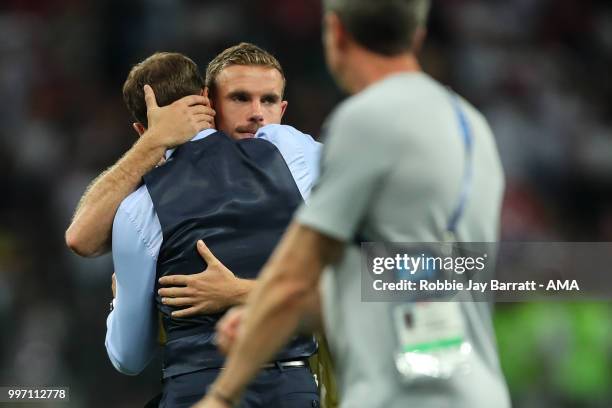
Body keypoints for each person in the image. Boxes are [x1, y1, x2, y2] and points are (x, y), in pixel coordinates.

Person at [194, 1, 511, 407]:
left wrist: (220, 396)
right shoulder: (474, 125)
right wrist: (263, 310)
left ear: (336, 32)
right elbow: (404, 279)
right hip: (479, 389)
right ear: (415, 36)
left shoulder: (365, 120)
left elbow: (295, 277)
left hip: (399, 395)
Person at [68, 46, 323, 407]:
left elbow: (127, 356)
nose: (256, 117)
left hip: (199, 387)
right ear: (208, 103)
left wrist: (240, 292)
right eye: (239, 99)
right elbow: (81, 236)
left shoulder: (140, 208)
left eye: (268, 102)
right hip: (293, 384)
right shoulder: (294, 156)